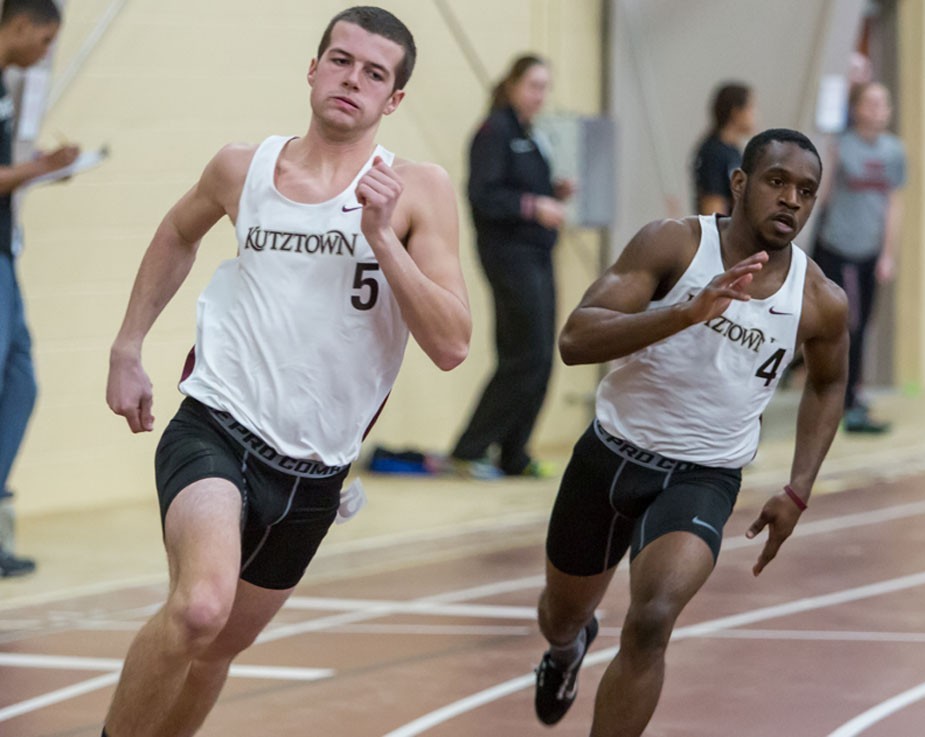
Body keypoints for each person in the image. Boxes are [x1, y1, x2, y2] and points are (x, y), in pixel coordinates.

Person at [100, 7, 470, 736]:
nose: (351, 80)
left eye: (374, 73)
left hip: (314, 471)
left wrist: (384, 243)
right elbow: (179, 230)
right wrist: (127, 345)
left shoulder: (416, 190)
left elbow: (452, 343)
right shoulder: (245, 166)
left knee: (217, 649)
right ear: (312, 68)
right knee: (200, 607)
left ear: (393, 100)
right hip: (216, 426)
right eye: (340, 60)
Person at [533, 128, 849, 735]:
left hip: (702, 475)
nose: (790, 200)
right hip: (610, 456)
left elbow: (829, 383)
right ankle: (568, 648)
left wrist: (798, 487)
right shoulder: (673, 244)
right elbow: (576, 339)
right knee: (560, 615)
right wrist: (684, 312)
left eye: (805, 191)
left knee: (652, 620)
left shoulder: (820, 300)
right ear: (740, 184)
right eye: (776, 182)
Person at [450, 54, 573, 479]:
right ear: (513, 84)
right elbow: (483, 195)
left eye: (545, 88)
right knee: (526, 354)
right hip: (510, 256)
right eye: (534, 86)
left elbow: (522, 185)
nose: (541, 95)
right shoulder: (495, 131)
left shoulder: (529, 133)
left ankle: (514, 453)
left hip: (538, 254)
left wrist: (552, 191)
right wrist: (532, 204)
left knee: (540, 356)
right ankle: (470, 449)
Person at [0, 0, 79, 578]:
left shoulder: (6, 86)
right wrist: (41, 165)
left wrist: (43, 170)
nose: (47, 51)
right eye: (47, 39)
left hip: (7, 252)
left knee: (21, 383)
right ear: (21, 24)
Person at [813, 81, 905, 434]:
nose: (878, 109)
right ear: (857, 108)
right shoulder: (841, 146)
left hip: (869, 251)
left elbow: (894, 204)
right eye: (871, 102)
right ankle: (834, 396)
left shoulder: (894, 151)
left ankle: (853, 398)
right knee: (840, 324)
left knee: (863, 325)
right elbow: (823, 195)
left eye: (884, 103)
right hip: (836, 246)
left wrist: (887, 254)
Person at [691, 81, 756, 216]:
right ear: (736, 112)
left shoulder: (734, 151)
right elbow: (712, 208)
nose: (755, 115)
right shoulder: (713, 152)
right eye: (751, 108)